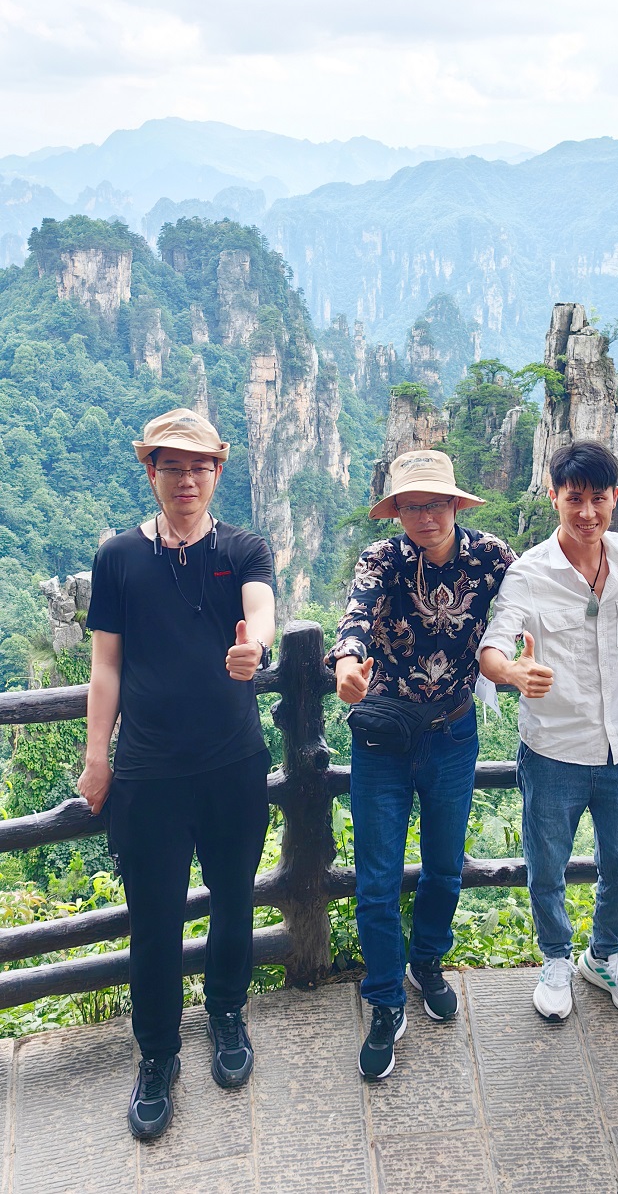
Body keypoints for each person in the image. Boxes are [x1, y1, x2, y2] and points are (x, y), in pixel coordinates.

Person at [78, 408, 275, 1139]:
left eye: (200, 466)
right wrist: (97, 757)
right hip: (148, 772)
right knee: (154, 919)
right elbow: (106, 665)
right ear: (151, 471)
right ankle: (157, 1053)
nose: (186, 479)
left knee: (233, 899)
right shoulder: (118, 557)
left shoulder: (244, 548)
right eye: (172, 466)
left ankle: (227, 1014)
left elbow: (261, 610)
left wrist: (255, 648)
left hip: (232, 763)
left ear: (217, 472)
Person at [329, 450, 515, 1080]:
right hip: (383, 737)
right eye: (411, 506)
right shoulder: (381, 559)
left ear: (456, 504)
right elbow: (356, 616)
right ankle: (384, 998)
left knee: (443, 866)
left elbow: (533, 599)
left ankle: (427, 962)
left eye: (435, 503)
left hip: (453, 733)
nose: (425, 516)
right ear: (397, 512)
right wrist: (347, 663)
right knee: (377, 879)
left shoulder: (490, 556)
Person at [479, 440, 618, 1021]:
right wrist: (512, 671)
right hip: (553, 747)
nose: (587, 512)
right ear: (553, 496)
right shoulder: (529, 573)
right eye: (574, 498)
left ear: (616, 499)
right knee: (547, 867)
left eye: (598, 499)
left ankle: (603, 956)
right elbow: (493, 646)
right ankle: (555, 958)